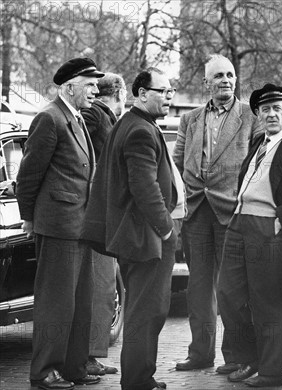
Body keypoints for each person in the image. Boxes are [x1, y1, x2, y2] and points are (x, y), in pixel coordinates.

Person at [81, 67, 184, 390]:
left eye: (171, 91)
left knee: (144, 311)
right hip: (145, 238)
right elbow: (145, 187)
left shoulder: (130, 124)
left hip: (137, 237)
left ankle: (140, 377)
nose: (169, 97)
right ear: (141, 94)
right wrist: (167, 229)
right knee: (147, 312)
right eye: (162, 91)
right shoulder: (140, 130)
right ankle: (139, 381)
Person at [217, 83, 282, 387]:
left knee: (270, 304)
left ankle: (271, 372)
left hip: (269, 229)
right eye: (265, 109)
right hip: (239, 225)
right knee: (228, 295)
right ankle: (250, 360)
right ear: (259, 115)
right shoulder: (258, 144)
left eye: (277, 108)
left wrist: (280, 220)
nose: (272, 114)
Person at [16, 57, 105, 390]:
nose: (96, 90)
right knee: (56, 305)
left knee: (80, 303)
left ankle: (73, 367)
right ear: (70, 86)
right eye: (91, 84)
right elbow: (29, 174)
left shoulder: (76, 118)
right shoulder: (50, 118)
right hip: (57, 227)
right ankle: (44, 372)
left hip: (79, 227)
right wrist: (29, 217)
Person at [172, 54, 262, 374]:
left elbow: (260, 163)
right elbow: (180, 160)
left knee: (233, 290)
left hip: (232, 211)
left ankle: (235, 355)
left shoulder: (250, 117)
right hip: (197, 210)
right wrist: (188, 195)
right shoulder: (191, 119)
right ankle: (200, 353)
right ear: (206, 83)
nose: (226, 80)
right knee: (198, 289)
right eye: (219, 76)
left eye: (230, 75)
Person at [80, 72, 126, 376]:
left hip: (101, 213)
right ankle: (86, 356)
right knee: (99, 286)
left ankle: (91, 356)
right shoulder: (95, 114)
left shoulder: (104, 116)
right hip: (93, 212)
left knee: (103, 286)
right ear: (120, 93)